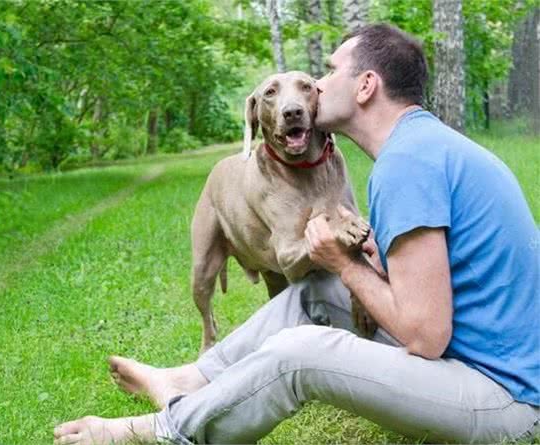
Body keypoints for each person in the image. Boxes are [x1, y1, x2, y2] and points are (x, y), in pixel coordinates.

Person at [54, 24, 539, 445]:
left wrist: (347, 264)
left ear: (366, 85)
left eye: (329, 73)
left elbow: (426, 335)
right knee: (318, 290)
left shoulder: (408, 164)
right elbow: (437, 286)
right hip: (482, 362)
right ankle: (187, 378)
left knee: (300, 352)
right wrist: (359, 264)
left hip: (505, 398)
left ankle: (166, 428)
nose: (317, 87)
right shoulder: (424, 146)